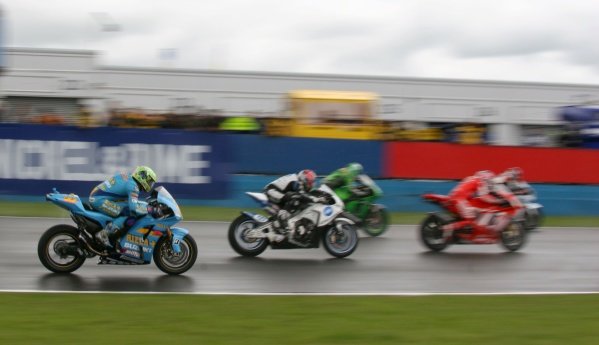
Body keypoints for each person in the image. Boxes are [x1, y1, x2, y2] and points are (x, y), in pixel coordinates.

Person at [89, 166, 157, 249]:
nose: (150, 184)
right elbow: (133, 209)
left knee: (126, 208)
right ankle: (103, 235)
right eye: (149, 181)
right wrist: (150, 210)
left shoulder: (128, 179)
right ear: (142, 176)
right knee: (128, 214)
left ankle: (115, 237)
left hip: (97, 197)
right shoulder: (133, 186)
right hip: (99, 200)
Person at [444, 170, 523, 237]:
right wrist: (499, 201)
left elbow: (477, 194)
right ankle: (448, 227)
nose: (489, 182)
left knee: (474, 213)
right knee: (470, 218)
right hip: (459, 199)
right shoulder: (480, 181)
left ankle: (462, 232)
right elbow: (484, 197)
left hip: (460, 198)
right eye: (489, 180)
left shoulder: (472, 179)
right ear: (485, 178)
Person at [263, 169, 317, 234]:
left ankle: (279, 223)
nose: (311, 184)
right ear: (304, 179)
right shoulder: (295, 182)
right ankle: (283, 218)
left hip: (279, 193)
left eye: (312, 182)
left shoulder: (298, 180)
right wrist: (314, 198)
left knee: (297, 199)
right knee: (294, 197)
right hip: (271, 191)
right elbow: (301, 195)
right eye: (310, 182)